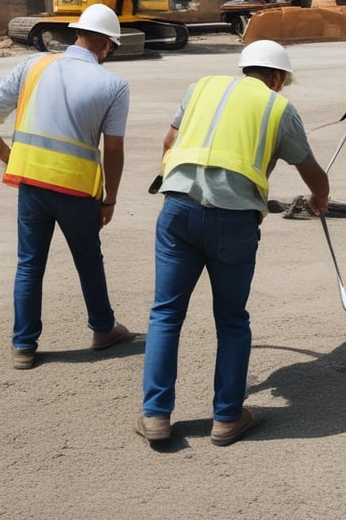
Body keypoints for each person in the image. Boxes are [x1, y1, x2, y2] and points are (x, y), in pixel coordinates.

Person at [137, 39, 330, 447]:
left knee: (166, 315)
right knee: (231, 320)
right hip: (233, 223)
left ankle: (156, 415)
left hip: (178, 211)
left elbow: (170, 142)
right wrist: (319, 200)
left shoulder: (202, 86)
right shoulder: (278, 107)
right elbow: (311, 171)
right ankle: (226, 418)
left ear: (245, 68)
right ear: (277, 78)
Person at [0, 4, 132, 370]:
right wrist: (110, 199)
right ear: (107, 45)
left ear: (78, 34)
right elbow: (115, 148)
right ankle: (103, 329)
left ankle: (24, 346)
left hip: (32, 185)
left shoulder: (32, 66)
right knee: (89, 261)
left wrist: (13, 160)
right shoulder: (113, 85)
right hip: (77, 191)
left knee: (29, 265)